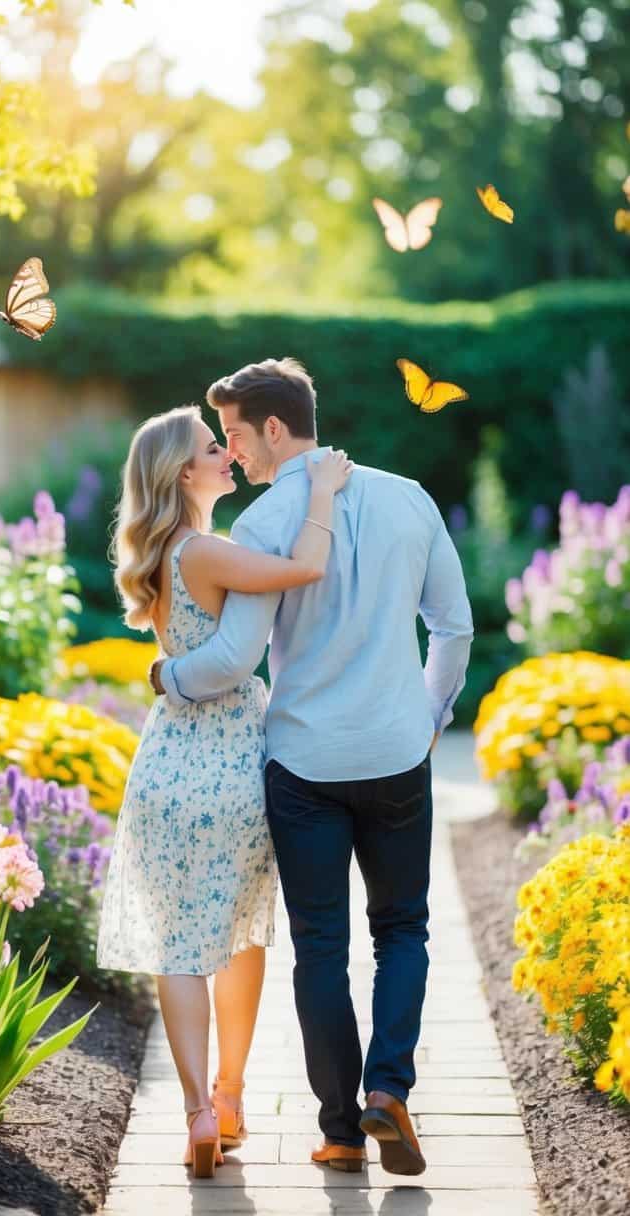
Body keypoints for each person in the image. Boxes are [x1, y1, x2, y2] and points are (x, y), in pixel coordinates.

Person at [150, 357, 473, 1176]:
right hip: (397, 753)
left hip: (303, 763)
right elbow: (454, 629)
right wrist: (429, 717)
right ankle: (388, 1088)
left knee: (319, 944)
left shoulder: (260, 528)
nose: (233, 454)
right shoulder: (408, 497)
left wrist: (165, 676)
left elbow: (236, 659)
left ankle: (338, 1131)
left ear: (271, 428)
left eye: (233, 435)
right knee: (402, 929)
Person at [96, 402, 353, 1179]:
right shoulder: (205, 551)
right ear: (185, 471)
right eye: (215, 448)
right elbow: (306, 569)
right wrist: (321, 492)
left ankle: (198, 1116)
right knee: (240, 932)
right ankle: (232, 1094)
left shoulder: (159, 556)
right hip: (233, 766)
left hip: (166, 763)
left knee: (181, 947)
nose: (228, 455)